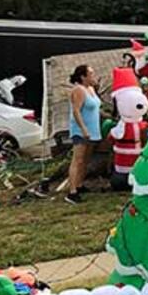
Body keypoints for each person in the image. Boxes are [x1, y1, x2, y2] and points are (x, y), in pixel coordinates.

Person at [66, 64, 102, 204]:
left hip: (93, 130)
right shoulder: (79, 90)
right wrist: (83, 129)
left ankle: (79, 185)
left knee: (85, 160)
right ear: (83, 76)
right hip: (81, 131)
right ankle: (72, 192)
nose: (93, 76)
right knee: (78, 159)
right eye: (91, 74)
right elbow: (76, 111)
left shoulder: (91, 89)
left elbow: (95, 108)